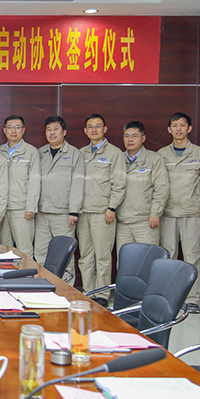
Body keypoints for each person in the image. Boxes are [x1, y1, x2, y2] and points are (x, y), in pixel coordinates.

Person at [158, 112, 200, 314]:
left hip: (192, 214)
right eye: (175, 125)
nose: (178, 129)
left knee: (192, 257)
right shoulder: (161, 154)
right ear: (169, 129)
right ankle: (169, 297)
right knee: (169, 258)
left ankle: (192, 300)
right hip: (168, 214)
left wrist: (196, 203)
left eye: (182, 125)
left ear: (189, 128)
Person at [77, 114, 126, 307]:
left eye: (98, 126)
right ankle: (88, 291)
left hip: (103, 213)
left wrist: (112, 207)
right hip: (83, 213)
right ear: (85, 131)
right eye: (90, 126)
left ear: (105, 129)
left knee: (103, 256)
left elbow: (119, 184)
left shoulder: (115, 154)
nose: (94, 130)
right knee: (85, 256)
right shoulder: (81, 153)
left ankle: (102, 295)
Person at [35, 116, 84, 278]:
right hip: (42, 213)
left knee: (64, 257)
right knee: (41, 254)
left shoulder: (74, 154)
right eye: (48, 130)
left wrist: (74, 211)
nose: (52, 133)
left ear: (64, 132)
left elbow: (78, 184)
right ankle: (44, 288)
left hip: (63, 215)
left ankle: (66, 290)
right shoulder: (40, 153)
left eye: (56, 129)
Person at [116, 121, 169, 251]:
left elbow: (161, 188)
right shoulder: (118, 158)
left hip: (146, 222)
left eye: (134, 136)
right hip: (123, 223)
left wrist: (155, 213)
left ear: (143, 138)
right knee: (125, 260)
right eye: (127, 136)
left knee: (146, 259)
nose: (130, 140)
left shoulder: (155, 159)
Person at [0, 115, 40, 258]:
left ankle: (27, 273)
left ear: (23, 130)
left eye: (17, 127)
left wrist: (31, 208)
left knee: (24, 250)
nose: (13, 131)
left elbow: (34, 182)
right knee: (4, 250)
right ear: (4, 130)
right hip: (2, 210)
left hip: (22, 210)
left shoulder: (31, 152)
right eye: (10, 127)